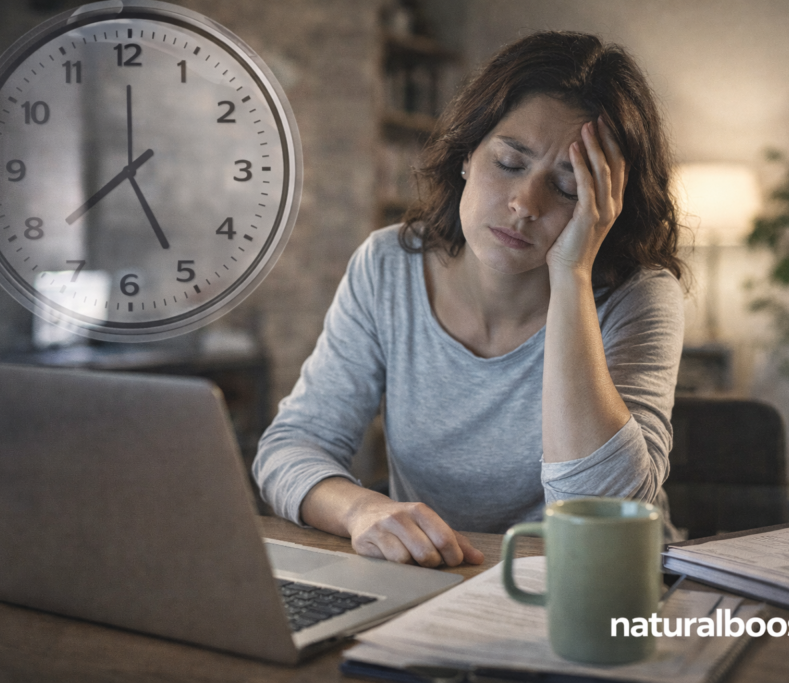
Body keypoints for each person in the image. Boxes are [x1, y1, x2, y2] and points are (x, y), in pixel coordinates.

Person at [253, 31, 685, 568]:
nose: (525, 203)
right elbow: (290, 446)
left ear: (607, 207)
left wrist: (572, 274)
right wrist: (362, 510)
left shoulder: (637, 296)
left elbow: (604, 515)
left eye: (568, 189)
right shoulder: (388, 267)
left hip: (603, 585)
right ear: (466, 156)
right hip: (438, 578)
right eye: (509, 163)